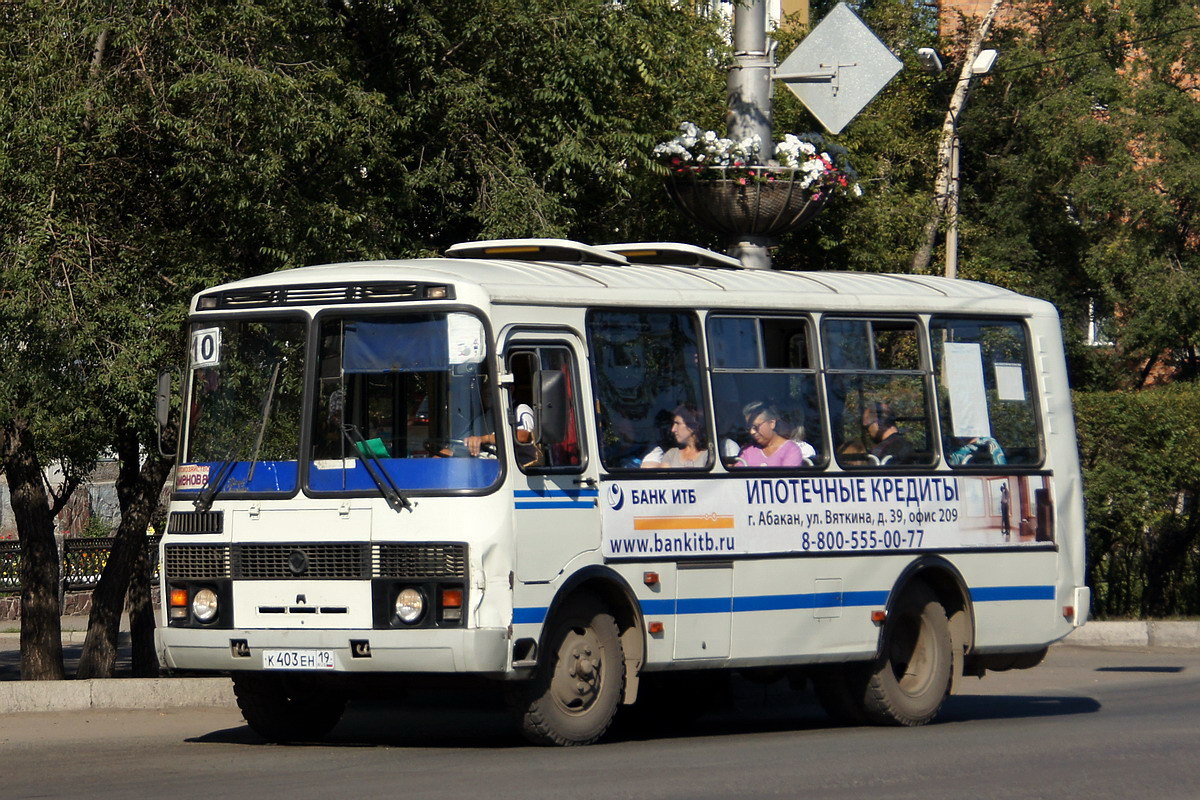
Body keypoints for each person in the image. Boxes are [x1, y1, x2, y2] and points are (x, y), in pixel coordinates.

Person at [735, 402, 812, 467]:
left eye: (756, 427)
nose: (752, 432)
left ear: (772, 423)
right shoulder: (748, 451)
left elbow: (787, 480)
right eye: (749, 428)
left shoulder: (791, 450)